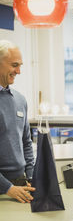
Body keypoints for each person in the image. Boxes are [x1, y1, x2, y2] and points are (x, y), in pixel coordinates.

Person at [0, 40, 35, 203]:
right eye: (14, 65)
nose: (19, 71)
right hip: (5, 189)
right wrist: (7, 188)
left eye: (20, 65)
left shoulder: (20, 100)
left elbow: (26, 142)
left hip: (20, 184)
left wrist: (32, 175)